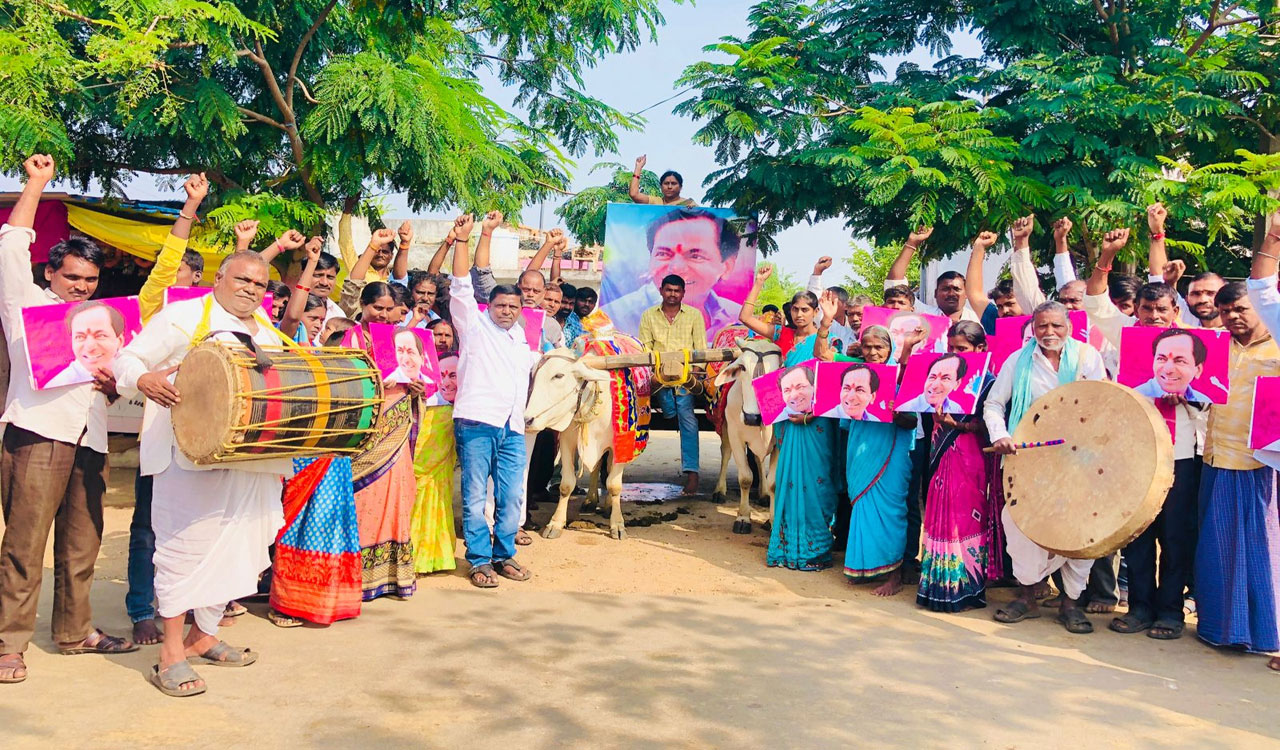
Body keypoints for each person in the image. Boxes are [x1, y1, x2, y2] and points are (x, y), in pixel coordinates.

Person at [114, 250, 291, 697]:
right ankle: (170, 654)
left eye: (259, 284)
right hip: (187, 456)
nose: (251, 289)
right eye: (243, 280)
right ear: (220, 278)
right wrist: (142, 380)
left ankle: (204, 634)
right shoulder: (184, 315)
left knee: (238, 546)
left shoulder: (267, 332)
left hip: (252, 462)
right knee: (184, 550)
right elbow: (127, 359)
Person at [0, 155, 136, 686]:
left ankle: (74, 632)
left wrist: (111, 384)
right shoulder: (25, 306)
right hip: (37, 436)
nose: (81, 286)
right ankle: (9, 645)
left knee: (83, 543)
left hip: (90, 438)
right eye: (72, 276)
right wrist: (36, 184)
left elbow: (122, 373)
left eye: (90, 279)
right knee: (24, 546)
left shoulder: (100, 324)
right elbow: (11, 245)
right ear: (49, 272)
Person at [985, 301, 1108, 633]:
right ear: (1033, 328)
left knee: (1080, 527)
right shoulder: (1018, 360)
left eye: (1056, 326)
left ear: (1069, 326)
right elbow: (994, 403)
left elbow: (1101, 402)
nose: (1049, 333)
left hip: (1080, 461)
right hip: (1028, 460)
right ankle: (1027, 597)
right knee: (1021, 525)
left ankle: (1070, 602)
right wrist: (1001, 435)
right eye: (1042, 327)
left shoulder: (1087, 357)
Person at [449, 215, 538, 588]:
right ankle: (480, 560)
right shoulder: (473, 324)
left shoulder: (523, 339)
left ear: (520, 309)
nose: (507, 311)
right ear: (490, 306)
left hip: (513, 427)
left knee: (511, 496)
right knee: (473, 496)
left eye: (513, 307)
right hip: (476, 422)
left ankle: (504, 556)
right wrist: (464, 241)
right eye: (501, 305)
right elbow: (460, 286)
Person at [1195, 277, 1280, 662]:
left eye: (1240, 310)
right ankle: (1218, 628)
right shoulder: (1213, 347)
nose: (1231, 317)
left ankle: (1261, 632)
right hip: (1214, 457)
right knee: (1216, 546)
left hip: (1261, 464)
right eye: (1226, 312)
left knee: (1259, 550)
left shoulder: (1277, 346)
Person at [739, 268, 839, 571]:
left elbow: (828, 373)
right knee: (787, 480)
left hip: (815, 422)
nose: (798, 314)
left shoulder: (828, 339)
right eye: (794, 309)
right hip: (786, 417)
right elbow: (746, 317)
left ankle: (816, 546)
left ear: (815, 311)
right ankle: (787, 544)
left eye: (805, 309)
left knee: (817, 482)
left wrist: (826, 323)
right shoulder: (782, 335)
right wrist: (758, 283)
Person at [818, 321, 916, 596]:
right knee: (862, 508)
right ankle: (865, 567)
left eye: (879, 347)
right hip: (860, 449)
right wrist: (826, 323)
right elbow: (822, 356)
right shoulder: (854, 376)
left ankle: (894, 575)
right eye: (868, 346)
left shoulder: (901, 376)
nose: (873, 352)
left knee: (891, 512)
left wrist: (898, 414)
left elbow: (911, 420)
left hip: (891, 455)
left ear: (890, 348)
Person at [347, 283, 421, 602]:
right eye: (377, 307)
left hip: (398, 420)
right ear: (363, 305)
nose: (383, 313)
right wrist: (378, 378)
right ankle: (359, 575)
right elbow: (348, 376)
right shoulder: (352, 334)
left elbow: (413, 373)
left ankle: (392, 575)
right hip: (369, 424)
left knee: (400, 490)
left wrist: (416, 386)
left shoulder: (398, 338)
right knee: (365, 494)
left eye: (388, 308)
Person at [916, 321, 997, 612]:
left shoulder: (989, 382)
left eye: (961, 349)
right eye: (950, 348)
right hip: (939, 452)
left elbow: (991, 425)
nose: (954, 353)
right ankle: (937, 586)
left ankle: (966, 588)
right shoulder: (939, 377)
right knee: (937, 512)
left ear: (980, 349)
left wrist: (958, 425)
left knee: (965, 517)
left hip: (970, 456)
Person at [601, 207, 744, 338]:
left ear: (727, 266)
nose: (676, 268)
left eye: (695, 256)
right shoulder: (612, 319)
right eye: (664, 254)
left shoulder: (738, 318)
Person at [638, 274, 707, 494]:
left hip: (685, 379)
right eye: (669, 290)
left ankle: (692, 472)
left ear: (683, 294)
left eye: (677, 291)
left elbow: (701, 351)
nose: (673, 294)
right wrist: (657, 375)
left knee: (687, 417)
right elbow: (644, 350)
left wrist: (694, 374)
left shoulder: (694, 316)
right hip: (658, 379)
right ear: (661, 291)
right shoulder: (648, 316)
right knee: (656, 409)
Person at [411, 345, 459, 575]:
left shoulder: (464, 410)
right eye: (441, 375)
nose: (446, 382)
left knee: (441, 501)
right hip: (418, 476)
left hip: (444, 479)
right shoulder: (427, 407)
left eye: (453, 375)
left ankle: (438, 557)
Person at [885, 226, 980, 322]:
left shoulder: (977, 320)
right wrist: (912, 243)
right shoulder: (924, 315)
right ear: (935, 293)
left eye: (956, 289)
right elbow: (894, 284)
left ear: (967, 293)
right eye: (945, 289)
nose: (951, 294)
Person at [44, 301, 126, 388]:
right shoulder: (58, 385)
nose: (90, 346)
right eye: (80, 337)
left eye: (100, 335)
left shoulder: (134, 373)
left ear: (119, 341)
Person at [1132, 329, 1210, 402]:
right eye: (1161, 359)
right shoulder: (1134, 398)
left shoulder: (1204, 401)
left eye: (1180, 361)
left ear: (1198, 370)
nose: (1168, 370)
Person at [896, 353, 968, 414]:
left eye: (945, 378)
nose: (934, 385)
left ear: (957, 384)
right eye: (932, 377)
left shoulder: (957, 409)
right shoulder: (906, 409)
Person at [629, 155, 696, 207]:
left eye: (673, 183)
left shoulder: (688, 204)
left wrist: (694, 211)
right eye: (666, 183)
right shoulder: (656, 202)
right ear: (661, 186)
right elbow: (634, 194)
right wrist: (638, 167)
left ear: (680, 187)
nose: (669, 187)